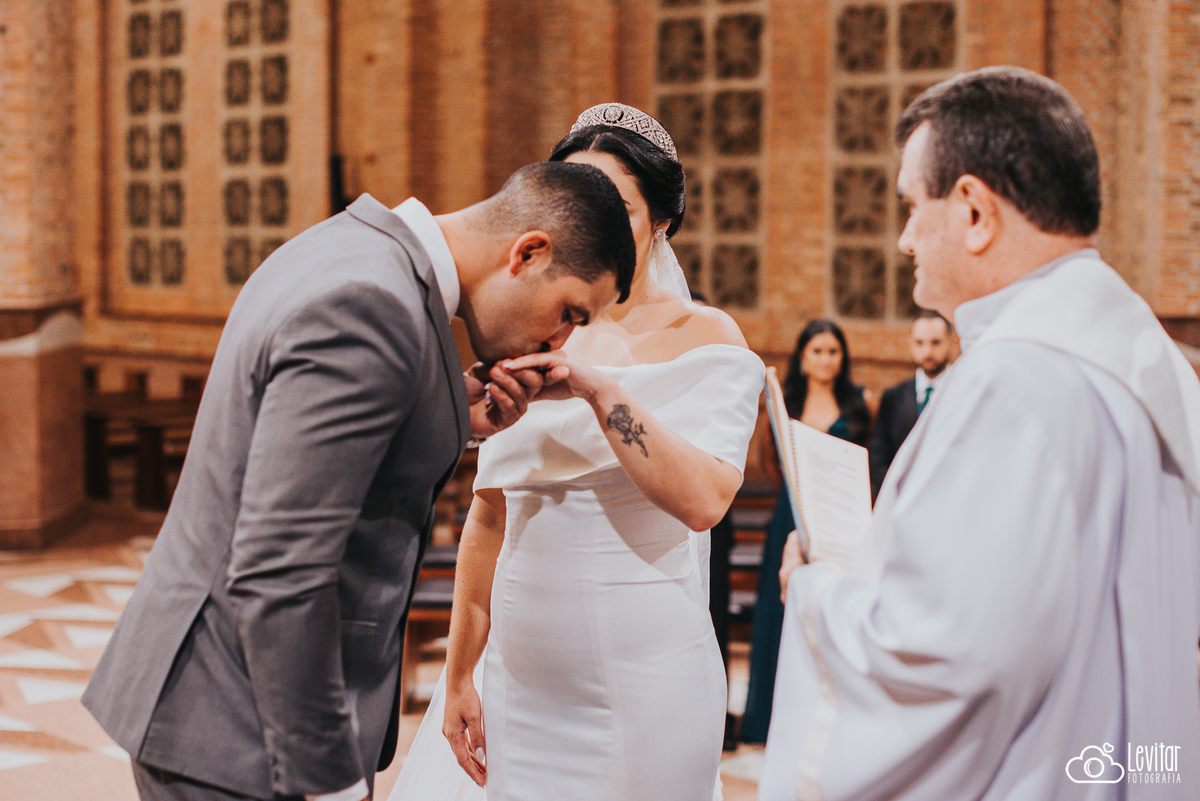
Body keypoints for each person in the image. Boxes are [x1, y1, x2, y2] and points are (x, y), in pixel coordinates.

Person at [81, 162, 638, 801]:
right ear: (528, 253)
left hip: (220, 701)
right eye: (569, 312)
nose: (558, 340)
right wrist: (333, 783)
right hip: (240, 724)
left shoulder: (353, 245)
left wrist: (453, 416)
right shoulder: (373, 306)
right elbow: (278, 566)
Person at [761, 66, 1200, 800]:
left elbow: (939, 657)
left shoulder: (1014, 384)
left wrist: (815, 590)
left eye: (911, 206)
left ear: (973, 211)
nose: (905, 239)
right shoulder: (1143, 358)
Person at [388, 103, 764, 801]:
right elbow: (489, 516)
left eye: (616, 204)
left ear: (662, 220)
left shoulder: (706, 337)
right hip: (519, 683)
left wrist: (598, 391)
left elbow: (704, 500)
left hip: (645, 677)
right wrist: (461, 672)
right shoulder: (534, 328)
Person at [739, 318, 871, 743]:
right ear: (803, 358)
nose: (826, 360)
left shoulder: (859, 403)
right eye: (817, 351)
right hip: (790, 515)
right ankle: (773, 719)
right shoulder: (788, 403)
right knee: (781, 612)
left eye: (833, 351)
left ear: (842, 357)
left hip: (840, 515)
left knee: (835, 606)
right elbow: (769, 459)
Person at [868, 309, 953, 500]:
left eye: (936, 342)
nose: (927, 352)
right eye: (920, 343)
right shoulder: (893, 397)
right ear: (910, 344)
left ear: (950, 341)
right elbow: (879, 457)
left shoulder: (963, 392)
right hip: (900, 500)